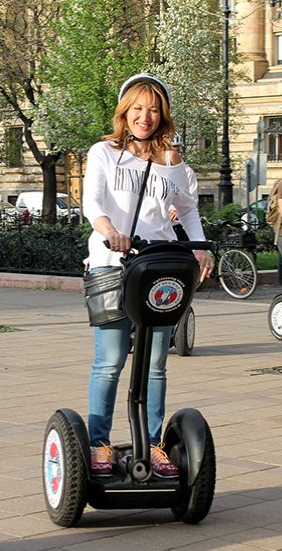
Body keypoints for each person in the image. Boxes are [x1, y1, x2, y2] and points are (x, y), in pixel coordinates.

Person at [82, 73, 214, 478]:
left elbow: (188, 209)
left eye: (154, 109)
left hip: (157, 267)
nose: (145, 116)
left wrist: (200, 246)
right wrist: (110, 234)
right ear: (125, 111)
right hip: (111, 264)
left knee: (156, 362)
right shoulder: (104, 152)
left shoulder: (174, 163)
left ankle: (155, 444)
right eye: (138, 108)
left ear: (163, 115)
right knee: (110, 361)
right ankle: (97, 444)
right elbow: (93, 202)